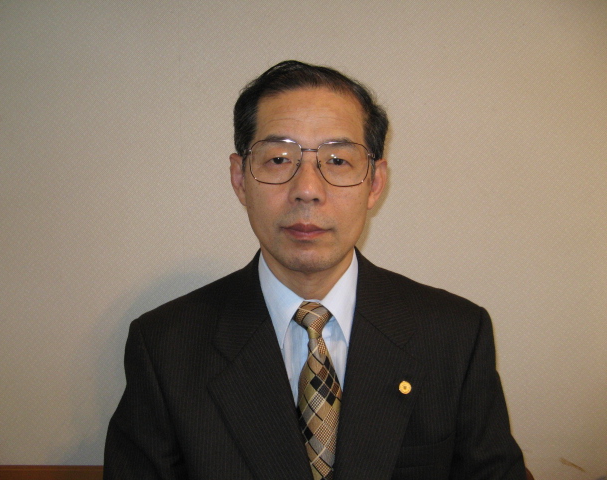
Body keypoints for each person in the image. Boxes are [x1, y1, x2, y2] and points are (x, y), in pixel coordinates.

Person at [104, 60, 526, 480]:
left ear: (375, 183)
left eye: (338, 160)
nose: (307, 190)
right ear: (239, 178)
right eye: (278, 159)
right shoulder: (165, 348)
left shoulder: (455, 335)